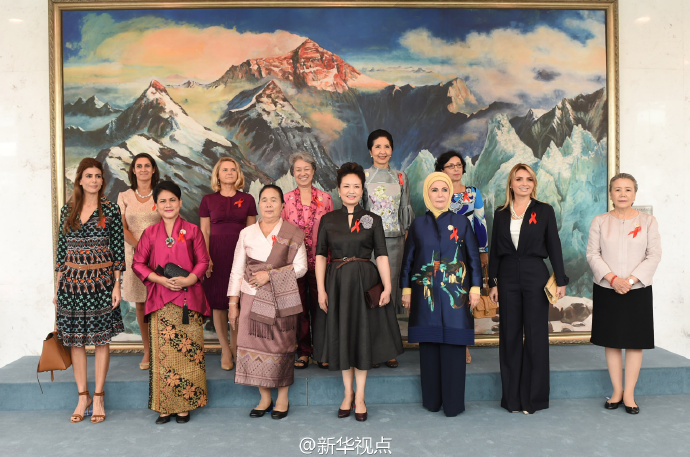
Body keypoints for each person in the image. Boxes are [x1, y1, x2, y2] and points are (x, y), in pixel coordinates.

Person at [313, 162, 404, 421]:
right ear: (338, 190)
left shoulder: (373, 219)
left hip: (365, 282)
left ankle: (361, 396)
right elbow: (320, 256)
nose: (351, 191)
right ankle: (347, 394)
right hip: (337, 284)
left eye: (356, 186)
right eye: (346, 186)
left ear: (362, 189)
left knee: (362, 338)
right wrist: (321, 290)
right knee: (343, 336)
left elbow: (382, 255)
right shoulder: (328, 220)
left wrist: (388, 286)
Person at [488, 163, 568, 414]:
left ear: (534, 184)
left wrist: (561, 279)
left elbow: (554, 244)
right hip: (507, 277)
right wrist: (492, 282)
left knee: (535, 337)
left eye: (529, 179)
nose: (524, 183)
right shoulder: (501, 213)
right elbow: (495, 250)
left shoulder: (544, 210)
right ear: (511, 184)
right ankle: (512, 400)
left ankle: (534, 400)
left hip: (535, 276)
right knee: (509, 337)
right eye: (519, 179)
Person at [400, 172, 482, 416]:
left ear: (450, 193)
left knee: (454, 348)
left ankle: (453, 404)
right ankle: (432, 401)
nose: (439, 195)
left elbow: (473, 258)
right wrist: (406, 290)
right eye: (434, 190)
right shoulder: (418, 225)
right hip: (425, 296)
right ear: (427, 194)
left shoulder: (461, 223)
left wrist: (475, 288)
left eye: (444, 190)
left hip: (456, 295)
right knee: (429, 347)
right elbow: (408, 261)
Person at [132, 181, 210, 424]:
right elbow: (137, 263)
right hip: (160, 299)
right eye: (163, 201)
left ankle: (185, 406)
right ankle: (164, 406)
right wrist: (160, 280)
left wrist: (189, 279)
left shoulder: (193, 230)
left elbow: (203, 261)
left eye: (172, 200)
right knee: (163, 356)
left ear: (180, 202)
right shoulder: (150, 233)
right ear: (156, 205)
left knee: (188, 354)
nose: (168, 205)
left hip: (188, 299)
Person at [53, 157, 125, 423]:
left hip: (101, 283)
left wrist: (117, 284)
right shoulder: (67, 210)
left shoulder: (111, 209)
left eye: (98, 176)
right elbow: (62, 252)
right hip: (71, 283)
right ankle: (82, 396)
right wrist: (57, 287)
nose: (94, 180)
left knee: (101, 340)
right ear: (80, 180)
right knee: (76, 341)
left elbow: (118, 251)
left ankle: (98, 396)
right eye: (89, 176)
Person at [227, 185, 307, 420]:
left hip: (281, 298)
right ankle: (264, 398)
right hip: (251, 296)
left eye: (274, 200)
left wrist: (270, 275)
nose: (269, 204)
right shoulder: (247, 233)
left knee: (281, 346)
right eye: (264, 200)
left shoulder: (292, 233)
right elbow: (237, 270)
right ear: (259, 204)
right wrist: (233, 303)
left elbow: (301, 267)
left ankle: (282, 398)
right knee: (255, 346)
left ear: (282, 205)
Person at [586, 173, 661, 415]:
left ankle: (629, 394)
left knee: (635, 342)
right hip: (607, 288)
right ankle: (617, 391)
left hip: (637, 289)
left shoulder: (648, 221)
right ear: (610, 194)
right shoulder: (600, 221)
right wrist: (613, 279)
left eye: (628, 189)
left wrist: (629, 280)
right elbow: (592, 254)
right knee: (612, 341)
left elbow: (654, 255)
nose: (622, 194)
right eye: (617, 189)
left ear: (635, 194)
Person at [199, 157, 257, 371]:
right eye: (225, 169)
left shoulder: (247, 199)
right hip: (216, 255)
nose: (229, 173)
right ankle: (225, 348)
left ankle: (236, 347)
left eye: (233, 169)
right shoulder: (208, 200)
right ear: (218, 174)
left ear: (238, 174)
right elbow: (204, 231)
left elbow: (252, 233)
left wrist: (250, 260)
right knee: (218, 303)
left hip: (240, 254)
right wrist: (206, 258)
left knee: (237, 302)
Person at [363, 129, 413, 368]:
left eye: (387, 146)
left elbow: (405, 211)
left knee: (389, 294)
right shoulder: (363, 177)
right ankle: (370, 348)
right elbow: (360, 211)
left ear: (392, 150)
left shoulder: (401, 177)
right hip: (369, 244)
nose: (382, 151)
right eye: (377, 147)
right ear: (370, 151)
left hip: (395, 242)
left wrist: (405, 238)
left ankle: (389, 349)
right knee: (370, 293)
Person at [281, 152, 334, 370]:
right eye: (298, 169)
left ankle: (322, 351)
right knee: (300, 310)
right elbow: (281, 233)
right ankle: (304, 351)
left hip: (321, 262)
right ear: (293, 173)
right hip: (295, 263)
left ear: (313, 171)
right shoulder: (285, 199)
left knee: (321, 307)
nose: (302, 173)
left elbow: (332, 231)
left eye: (306, 169)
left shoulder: (326, 198)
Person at [436, 150, 489, 364]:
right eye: (451, 166)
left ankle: (463, 345)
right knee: (444, 299)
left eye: (459, 165)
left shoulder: (473, 193)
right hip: (442, 254)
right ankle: (442, 342)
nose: (456, 169)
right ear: (442, 170)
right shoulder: (437, 193)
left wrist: (483, 250)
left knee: (465, 300)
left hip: (468, 253)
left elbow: (480, 222)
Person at [117, 153, 161, 370]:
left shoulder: (162, 194)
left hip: (161, 254)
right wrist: (141, 248)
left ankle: (163, 349)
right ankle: (147, 350)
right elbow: (121, 226)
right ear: (133, 170)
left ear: (153, 169)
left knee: (162, 301)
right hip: (134, 255)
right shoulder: (124, 196)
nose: (143, 169)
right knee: (141, 304)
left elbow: (170, 220)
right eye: (139, 166)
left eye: (147, 165)